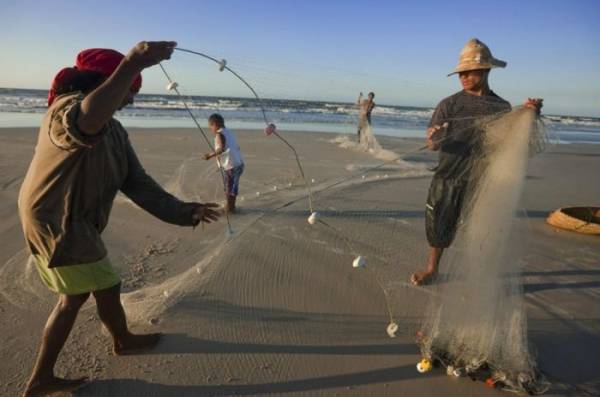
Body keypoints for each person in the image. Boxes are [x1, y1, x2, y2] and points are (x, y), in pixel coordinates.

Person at [18, 41, 220, 396]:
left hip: (75, 221)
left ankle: (120, 340)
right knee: (78, 296)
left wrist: (185, 211)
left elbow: (137, 183)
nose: (131, 99)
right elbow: (84, 122)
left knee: (100, 287)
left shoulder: (114, 130)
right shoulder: (64, 112)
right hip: (58, 221)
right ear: (106, 83)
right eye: (130, 89)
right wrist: (131, 64)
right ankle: (42, 378)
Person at [411, 38, 543, 286]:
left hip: (482, 178)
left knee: (480, 230)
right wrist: (436, 138)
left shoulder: (501, 106)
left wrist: (528, 115)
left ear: (485, 70)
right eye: (460, 73)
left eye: (468, 72)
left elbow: (508, 143)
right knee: (439, 224)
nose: (462, 77)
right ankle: (432, 269)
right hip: (448, 175)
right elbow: (432, 143)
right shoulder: (449, 104)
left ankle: (477, 274)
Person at [203, 113, 245, 214]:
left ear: (215, 124)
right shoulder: (229, 132)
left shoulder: (219, 134)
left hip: (231, 165)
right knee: (233, 186)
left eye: (210, 127)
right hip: (239, 163)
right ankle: (232, 206)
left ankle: (229, 208)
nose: (211, 130)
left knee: (228, 187)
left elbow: (221, 149)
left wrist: (209, 155)